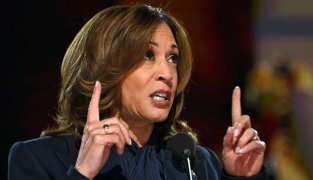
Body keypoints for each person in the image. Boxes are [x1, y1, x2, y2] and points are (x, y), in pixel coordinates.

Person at [8, 4, 266, 180]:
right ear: (105, 67)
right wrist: (83, 172)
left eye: (173, 58)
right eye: (148, 55)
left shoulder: (194, 162)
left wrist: (241, 177)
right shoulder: (38, 158)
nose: (166, 73)